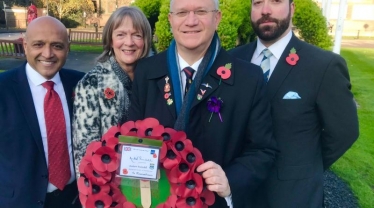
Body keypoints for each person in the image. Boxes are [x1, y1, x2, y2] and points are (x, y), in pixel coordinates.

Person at [128, 0, 277, 207]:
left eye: (200, 11)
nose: (191, 21)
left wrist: (230, 180)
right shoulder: (146, 71)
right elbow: (133, 138)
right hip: (155, 201)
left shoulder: (248, 79)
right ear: (171, 20)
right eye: (182, 13)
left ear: (217, 18)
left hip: (214, 202)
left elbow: (262, 150)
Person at [229, 0, 359, 207]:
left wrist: (305, 167)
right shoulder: (232, 61)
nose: (265, 10)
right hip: (239, 193)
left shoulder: (322, 66)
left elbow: (344, 132)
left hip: (293, 196)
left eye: (276, 1)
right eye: (257, 3)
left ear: (292, 8)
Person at [0, 16, 84, 208]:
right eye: (39, 44)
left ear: (68, 48)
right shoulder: (3, 89)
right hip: (19, 201)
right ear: (25, 45)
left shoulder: (82, 84)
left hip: (74, 199)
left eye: (57, 46)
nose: (48, 54)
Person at [72, 6, 152, 177]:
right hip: (107, 185)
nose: (129, 42)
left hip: (152, 179)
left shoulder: (158, 79)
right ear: (110, 40)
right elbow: (84, 148)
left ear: (146, 40)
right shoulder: (91, 83)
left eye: (137, 35)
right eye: (121, 35)